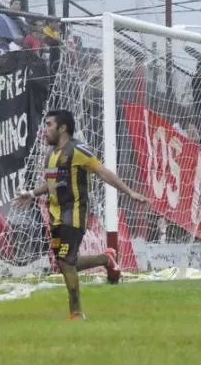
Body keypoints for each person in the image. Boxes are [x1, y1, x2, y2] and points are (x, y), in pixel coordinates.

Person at [17, 109, 148, 319]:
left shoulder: (78, 150)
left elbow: (102, 171)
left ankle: (76, 313)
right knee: (67, 261)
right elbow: (52, 183)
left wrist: (129, 192)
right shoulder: (50, 155)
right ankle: (107, 258)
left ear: (63, 128)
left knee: (65, 262)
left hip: (74, 214)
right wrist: (31, 193)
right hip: (55, 215)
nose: (45, 130)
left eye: (49, 125)